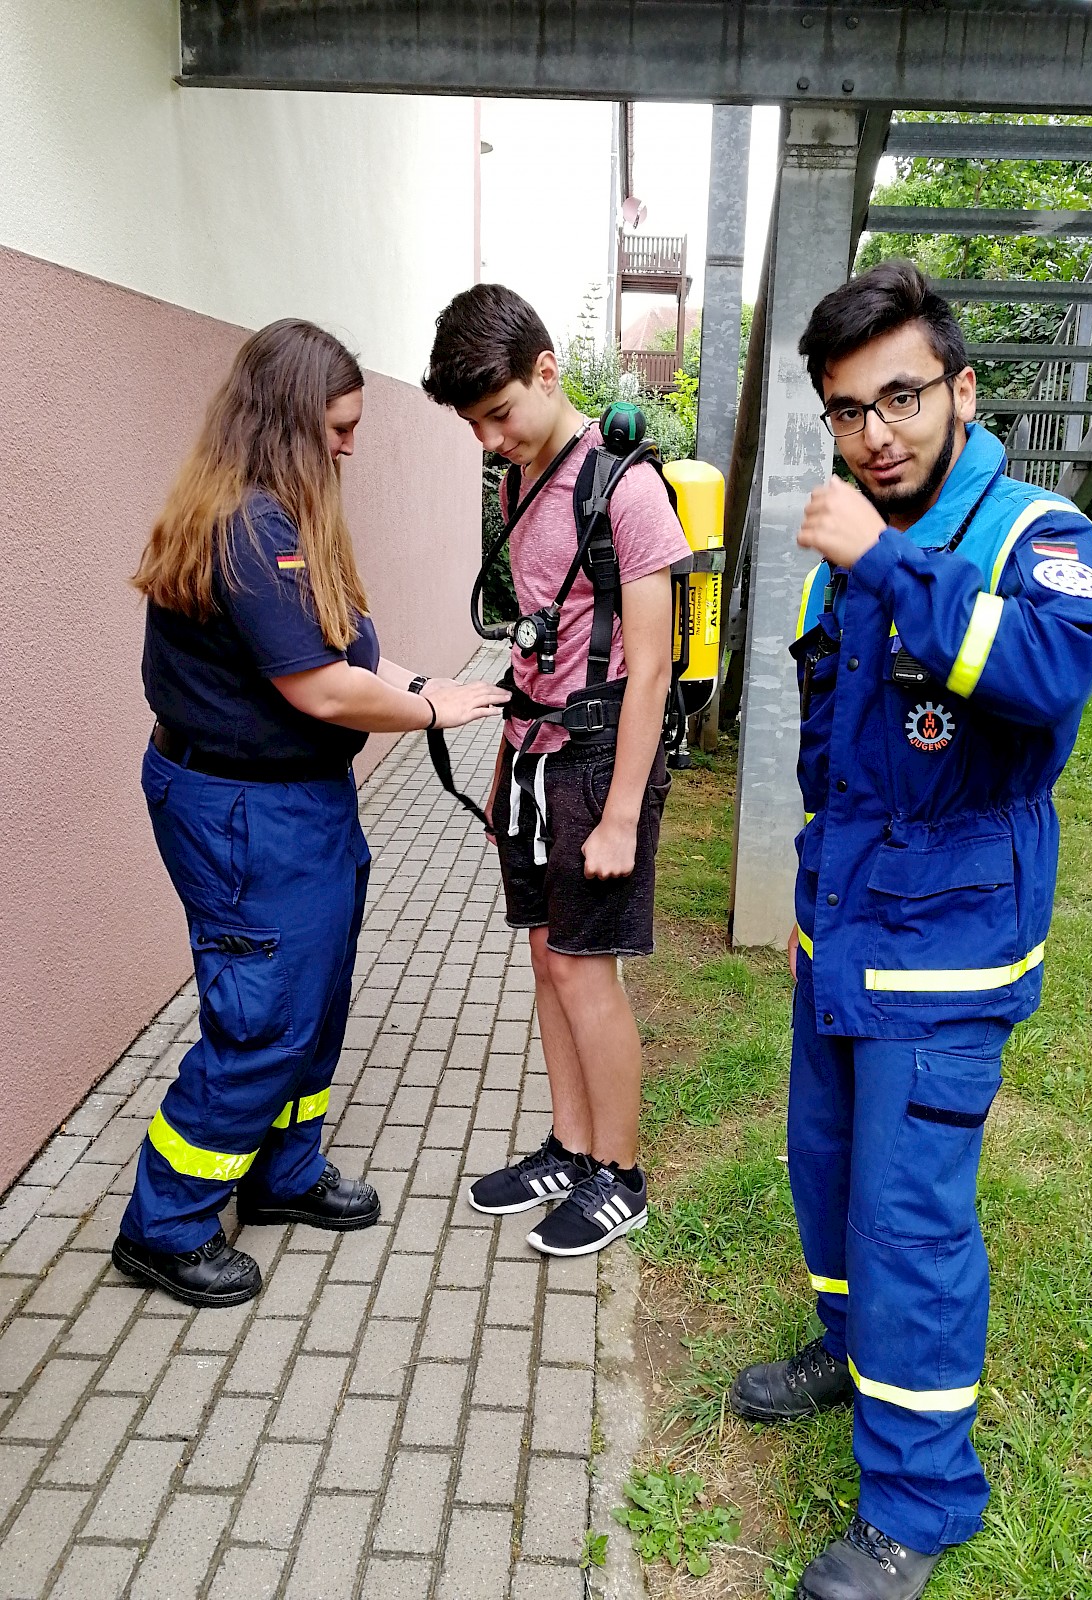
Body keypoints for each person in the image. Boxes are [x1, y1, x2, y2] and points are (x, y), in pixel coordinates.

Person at [729, 263, 1092, 1599]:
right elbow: (842, 749)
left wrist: (886, 561)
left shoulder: (1037, 535)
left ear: (960, 389)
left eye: (898, 397)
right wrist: (807, 906)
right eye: (846, 409)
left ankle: (921, 1503)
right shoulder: (851, 533)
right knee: (826, 1172)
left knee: (910, 1220)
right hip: (845, 928)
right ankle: (850, 1353)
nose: (874, 431)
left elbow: (1047, 675)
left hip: (947, 951)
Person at [114, 319, 507, 1309]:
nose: (347, 446)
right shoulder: (248, 530)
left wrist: (429, 681)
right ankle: (163, 1226)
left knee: (310, 1001)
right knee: (265, 1021)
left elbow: (351, 658)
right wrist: (430, 708)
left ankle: (280, 1173)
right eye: (337, 427)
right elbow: (323, 691)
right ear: (288, 424)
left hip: (293, 806)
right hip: (247, 810)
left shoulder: (278, 521)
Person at [422, 284, 691, 1256]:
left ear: (546, 372)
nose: (490, 439)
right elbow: (538, 635)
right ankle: (571, 1147)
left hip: (599, 759)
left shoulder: (627, 487)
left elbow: (653, 664)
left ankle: (619, 1175)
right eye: (474, 425)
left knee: (585, 970)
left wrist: (621, 812)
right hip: (531, 757)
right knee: (546, 958)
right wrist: (504, 767)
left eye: (499, 414)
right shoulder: (515, 480)